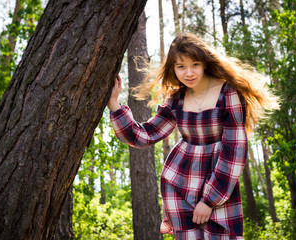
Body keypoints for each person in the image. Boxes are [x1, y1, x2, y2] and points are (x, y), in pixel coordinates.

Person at [107, 33, 279, 240]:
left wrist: (209, 200)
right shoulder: (176, 99)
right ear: (173, 69)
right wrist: (114, 104)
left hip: (219, 188)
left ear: (204, 63)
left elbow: (234, 151)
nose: (188, 73)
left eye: (195, 64)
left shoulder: (228, 93)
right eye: (181, 67)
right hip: (179, 186)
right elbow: (143, 136)